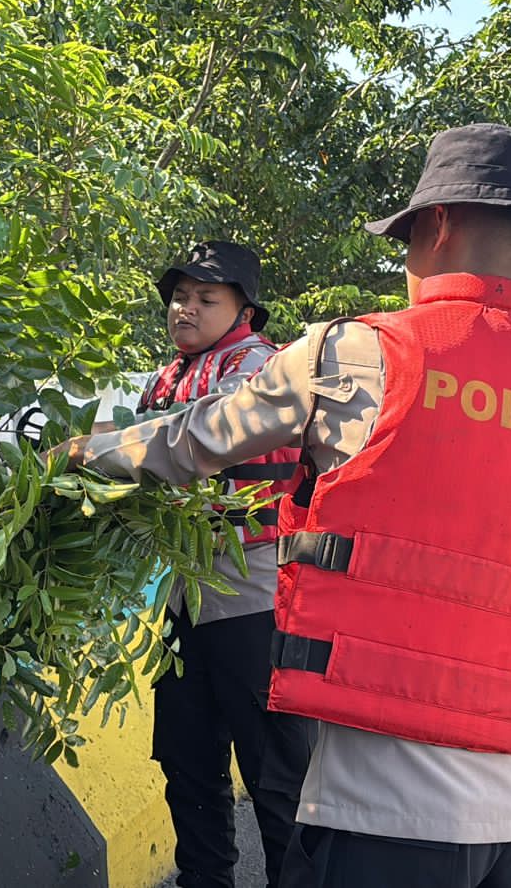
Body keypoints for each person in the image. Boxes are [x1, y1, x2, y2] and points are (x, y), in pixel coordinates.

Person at [56, 124, 511, 888]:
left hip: (375, 814)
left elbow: (194, 441)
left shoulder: (353, 356)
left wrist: (79, 456)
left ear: (437, 224)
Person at [131, 241, 314, 888]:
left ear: (245, 310)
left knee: (273, 774)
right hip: (188, 598)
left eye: (206, 298)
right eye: (180, 296)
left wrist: (96, 453)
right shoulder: (166, 376)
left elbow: (194, 440)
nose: (186, 308)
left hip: (256, 599)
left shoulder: (260, 371)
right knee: (187, 762)